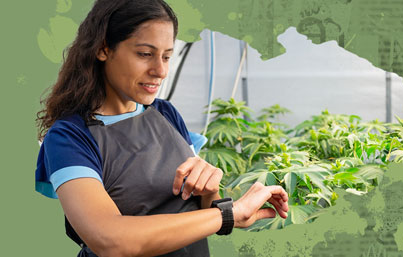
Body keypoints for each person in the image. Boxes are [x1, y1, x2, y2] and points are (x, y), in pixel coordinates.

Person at [35, 0, 289, 256]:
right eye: (145, 54)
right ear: (103, 49)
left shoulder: (165, 113)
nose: (161, 70)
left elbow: (203, 216)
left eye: (167, 56)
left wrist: (210, 190)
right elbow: (110, 240)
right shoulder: (70, 137)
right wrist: (228, 214)